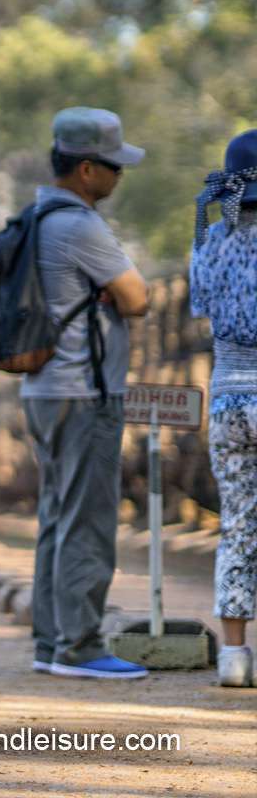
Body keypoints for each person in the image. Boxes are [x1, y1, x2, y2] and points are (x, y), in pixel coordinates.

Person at [22, 107, 150, 681]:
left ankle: (51, 641)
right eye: (114, 167)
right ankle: (80, 645)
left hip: (45, 388)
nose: (120, 178)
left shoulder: (34, 217)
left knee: (57, 514)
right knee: (89, 519)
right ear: (87, 170)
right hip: (84, 390)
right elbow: (137, 297)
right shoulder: (80, 225)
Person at [190, 128, 257, 688]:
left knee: (237, 524)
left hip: (228, 398)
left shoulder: (212, 241)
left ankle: (234, 656)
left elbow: (202, 310)